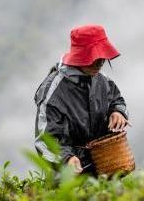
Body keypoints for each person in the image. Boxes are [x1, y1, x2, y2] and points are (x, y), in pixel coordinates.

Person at [33, 24, 130, 175]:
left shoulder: (102, 80)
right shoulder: (52, 91)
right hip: (69, 179)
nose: (100, 63)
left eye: (102, 59)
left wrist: (118, 112)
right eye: (95, 58)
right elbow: (44, 141)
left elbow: (117, 99)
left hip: (105, 168)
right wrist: (67, 159)